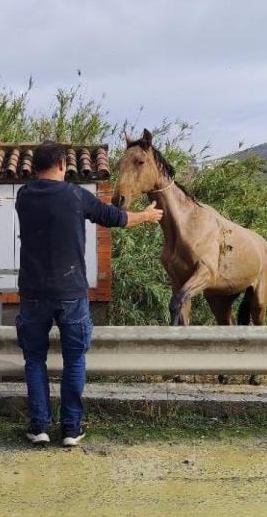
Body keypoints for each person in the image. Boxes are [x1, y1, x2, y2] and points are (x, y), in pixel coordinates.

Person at [15, 141, 163, 445]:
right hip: (71, 293)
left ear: (36, 165)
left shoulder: (24, 196)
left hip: (32, 293)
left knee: (34, 359)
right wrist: (147, 216)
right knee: (74, 359)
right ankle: (71, 429)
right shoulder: (77, 195)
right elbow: (117, 218)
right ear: (61, 165)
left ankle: (40, 427)